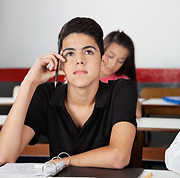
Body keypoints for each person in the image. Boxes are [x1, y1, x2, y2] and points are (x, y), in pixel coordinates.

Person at [0, 17, 137, 169]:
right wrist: (28, 83)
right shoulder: (46, 94)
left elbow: (119, 157)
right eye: (70, 54)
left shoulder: (121, 90)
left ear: (102, 61)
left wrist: (61, 162)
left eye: (89, 52)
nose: (79, 60)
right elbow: (4, 156)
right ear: (60, 62)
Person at [100, 30, 142, 118]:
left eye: (120, 61)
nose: (113, 64)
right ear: (100, 50)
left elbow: (137, 113)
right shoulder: (84, 76)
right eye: (110, 56)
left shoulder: (124, 82)